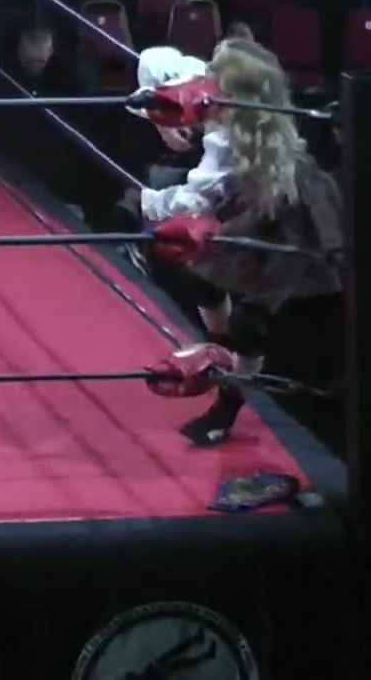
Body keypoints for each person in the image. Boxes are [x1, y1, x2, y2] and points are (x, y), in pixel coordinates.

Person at [129, 40, 343, 446]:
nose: (208, 87)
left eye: (217, 83)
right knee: (214, 284)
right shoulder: (227, 114)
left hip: (292, 231)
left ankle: (231, 390)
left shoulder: (241, 132)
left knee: (281, 332)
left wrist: (155, 203)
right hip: (261, 217)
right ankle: (224, 371)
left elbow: (203, 191)